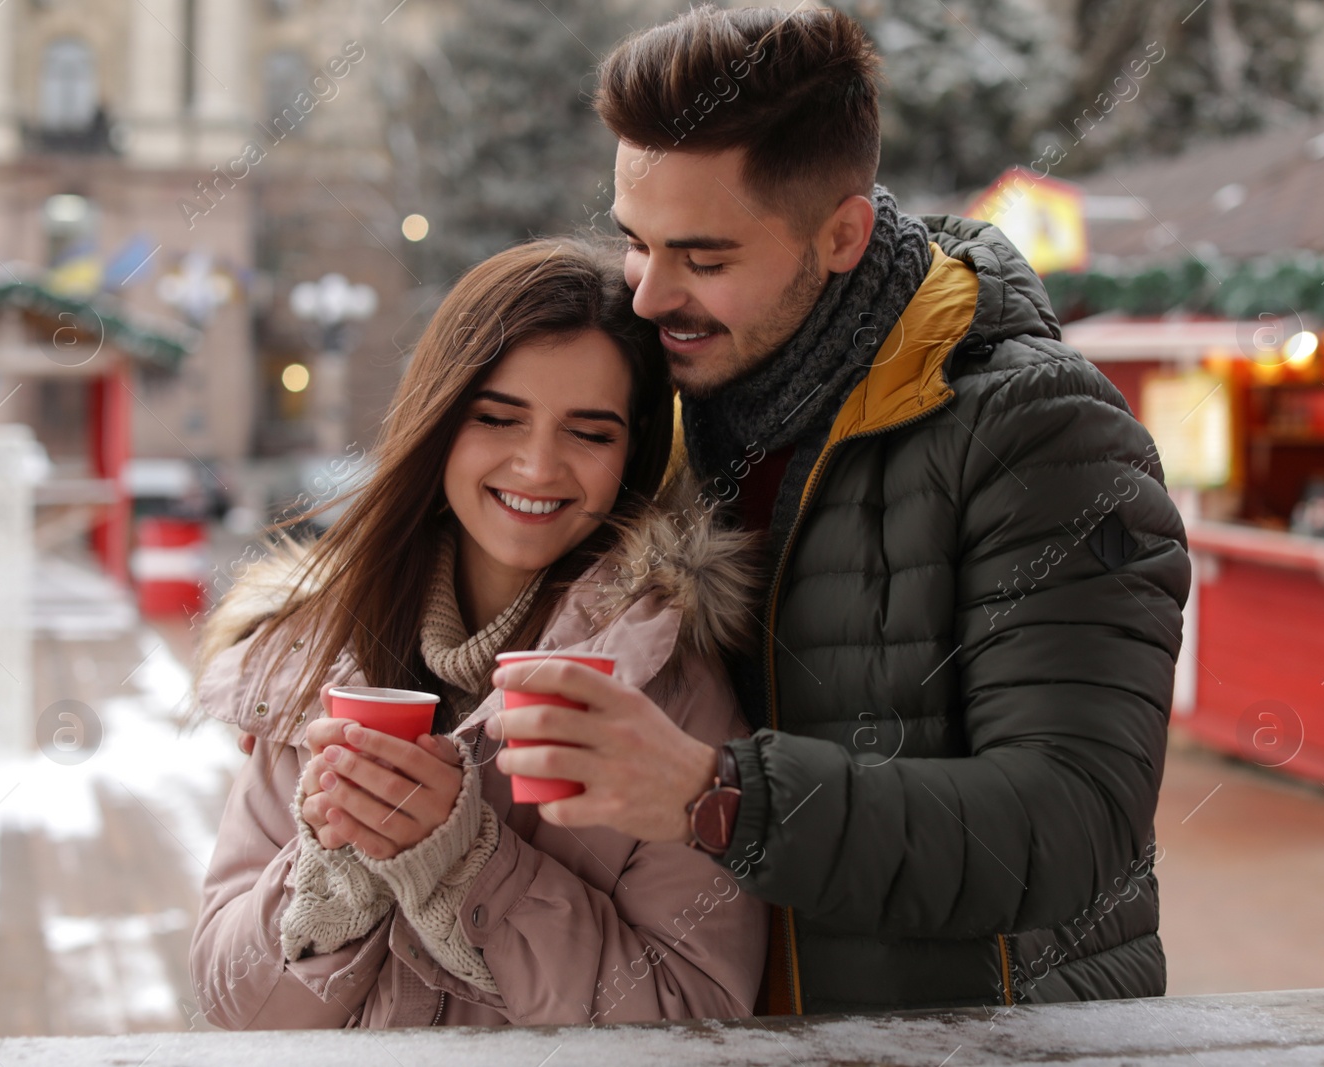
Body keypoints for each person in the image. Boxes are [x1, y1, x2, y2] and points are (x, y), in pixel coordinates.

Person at [487, 6, 1191, 1014]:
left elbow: (1073, 822)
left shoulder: (1043, 434)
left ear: (841, 236)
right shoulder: (665, 416)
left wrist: (712, 795)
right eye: (634, 242)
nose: (646, 296)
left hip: (978, 1043)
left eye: (704, 257)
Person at [188, 237, 769, 1028]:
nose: (537, 466)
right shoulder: (310, 657)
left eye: (590, 433)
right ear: (439, 423)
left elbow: (693, 1013)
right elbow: (233, 1008)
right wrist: (329, 873)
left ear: (632, 454)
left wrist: (467, 863)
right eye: (499, 417)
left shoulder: (667, 688)